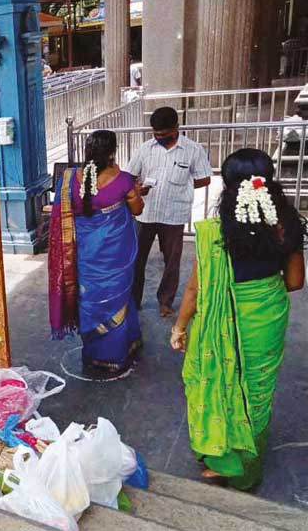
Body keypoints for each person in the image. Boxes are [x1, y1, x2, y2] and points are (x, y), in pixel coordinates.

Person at [170, 149, 306, 490]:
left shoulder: (215, 233)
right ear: (269, 184)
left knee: (215, 381)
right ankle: (246, 471)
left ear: (229, 190)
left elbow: (194, 292)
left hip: (220, 321)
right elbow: (294, 282)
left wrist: (179, 327)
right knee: (256, 391)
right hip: (266, 318)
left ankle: (219, 457)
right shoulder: (284, 227)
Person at [49, 130, 145, 374]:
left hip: (84, 251)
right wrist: (136, 192)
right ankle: (118, 351)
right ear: (112, 151)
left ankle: (94, 353)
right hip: (115, 253)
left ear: (88, 151)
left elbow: (62, 212)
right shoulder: (123, 180)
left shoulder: (69, 178)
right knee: (119, 297)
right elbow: (137, 211)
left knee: (90, 296)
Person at [129, 106, 212, 317]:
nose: (159, 138)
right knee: (136, 259)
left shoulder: (193, 150)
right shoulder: (145, 149)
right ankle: (133, 301)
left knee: (172, 262)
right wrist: (138, 188)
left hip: (174, 214)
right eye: (156, 134)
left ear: (176, 128)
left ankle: (165, 301)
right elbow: (130, 175)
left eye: (164, 134)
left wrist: (183, 183)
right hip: (145, 214)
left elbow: (205, 178)